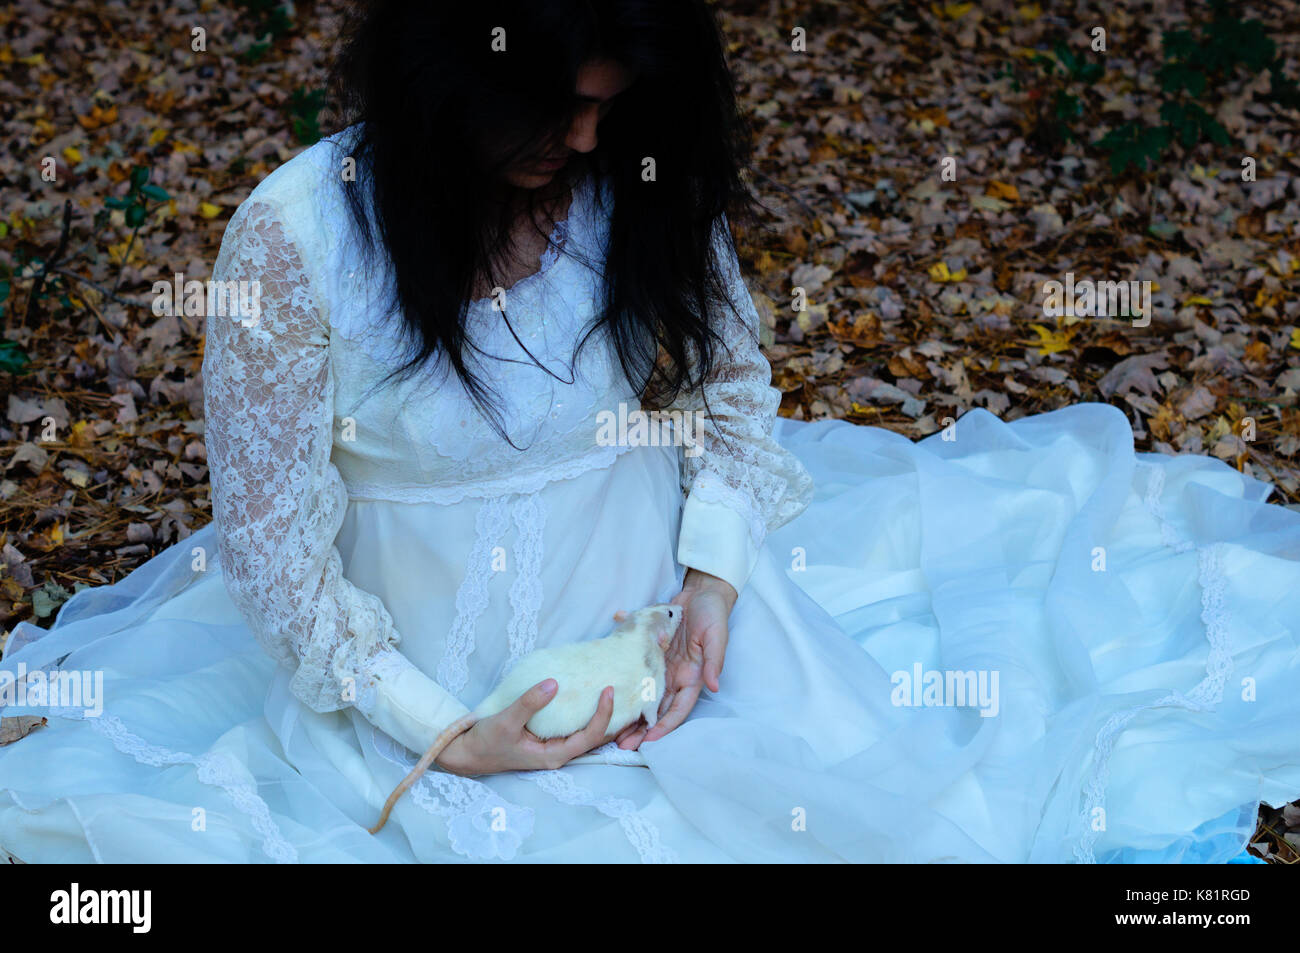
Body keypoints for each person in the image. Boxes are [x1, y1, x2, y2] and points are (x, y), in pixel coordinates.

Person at [2, 0, 1298, 864]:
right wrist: (447, 731)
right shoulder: (297, 241)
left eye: (606, 111)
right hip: (403, 683)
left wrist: (714, 586)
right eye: (551, 107)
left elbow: (734, 396)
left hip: (658, 631)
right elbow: (277, 557)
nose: (579, 138)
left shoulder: (623, 170)